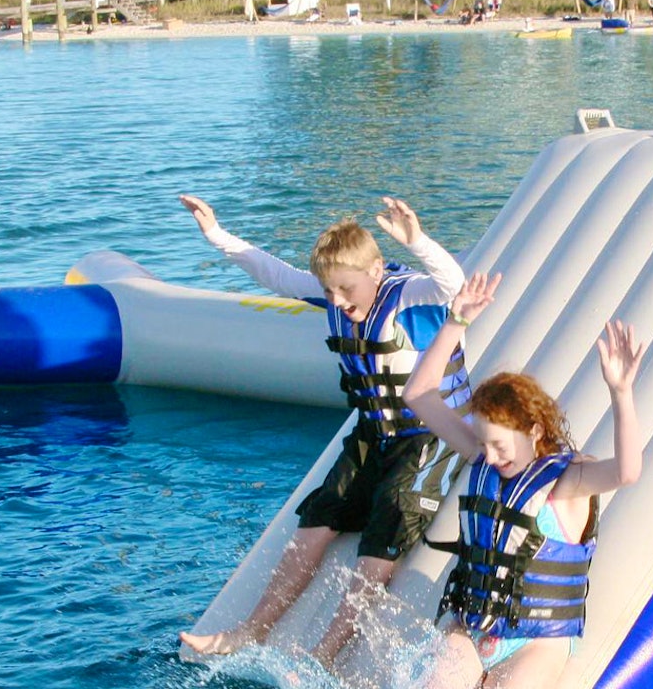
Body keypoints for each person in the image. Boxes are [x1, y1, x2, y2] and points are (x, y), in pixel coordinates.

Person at [177, 195, 471, 661]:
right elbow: (271, 272)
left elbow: (454, 284)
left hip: (430, 435)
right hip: (374, 431)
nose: (335, 300)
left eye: (344, 290)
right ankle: (252, 630)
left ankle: (326, 652)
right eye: (329, 290)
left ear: (374, 272)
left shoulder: (411, 294)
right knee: (320, 514)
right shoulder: (335, 294)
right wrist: (217, 235)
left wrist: (418, 241)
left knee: (389, 519)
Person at [395, 272, 644, 689]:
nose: (489, 457)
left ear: (532, 430)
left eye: (500, 447)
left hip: (537, 640)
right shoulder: (483, 455)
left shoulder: (566, 482)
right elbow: (418, 394)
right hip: (470, 627)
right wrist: (456, 322)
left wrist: (621, 393)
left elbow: (626, 472)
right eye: (483, 443)